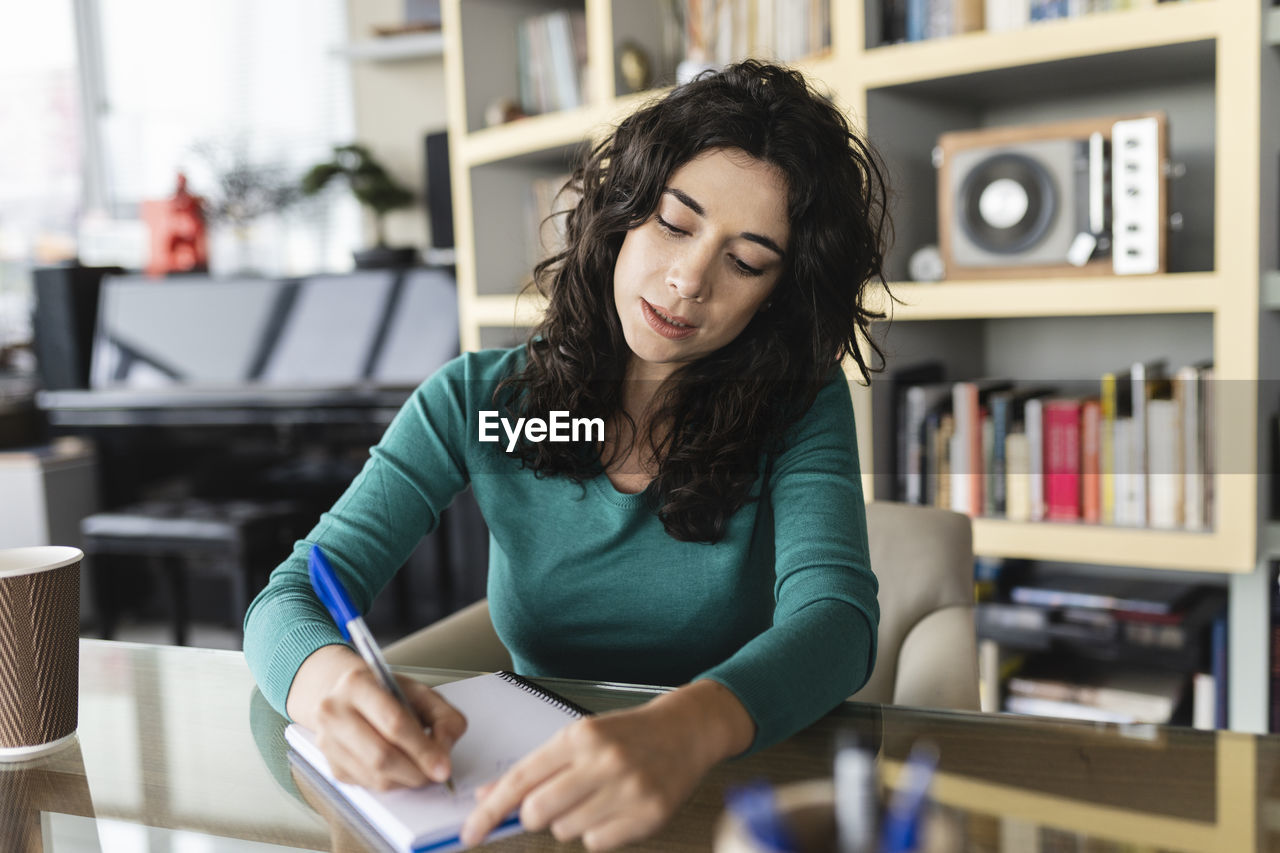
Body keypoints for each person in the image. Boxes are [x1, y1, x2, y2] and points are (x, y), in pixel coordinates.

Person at [244, 59, 892, 850]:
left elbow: (838, 620)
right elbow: (289, 597)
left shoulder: (798, 404)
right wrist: (330, 685)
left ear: (778, 295)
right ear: (621, 215)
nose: (689, 279)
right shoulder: (481, 404)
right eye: (674, 223)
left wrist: (685, 728)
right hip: (521, 809)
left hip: (723, 803)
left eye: (746, 260)